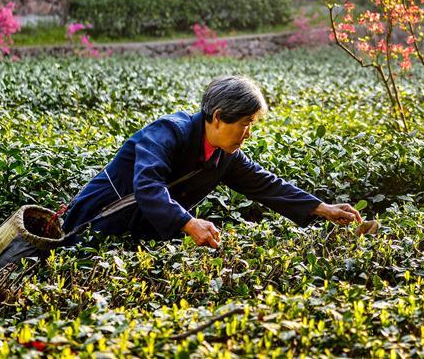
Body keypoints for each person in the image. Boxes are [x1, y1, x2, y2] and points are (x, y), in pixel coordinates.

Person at [61, 75, 362, 247]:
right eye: (245, 123)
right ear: (218, 117)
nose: (247, 133)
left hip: (140, 232)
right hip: (97, 218)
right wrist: (188, 222)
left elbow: (264, 184)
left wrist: (322, 208)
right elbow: (147, 184)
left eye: (252, 124)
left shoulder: (224, 155)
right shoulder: (169, 131)